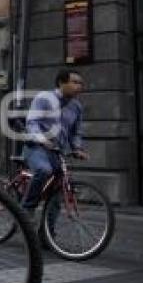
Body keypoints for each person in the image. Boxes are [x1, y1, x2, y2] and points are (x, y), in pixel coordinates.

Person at [22, 69, 88, 214]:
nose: (79, 86)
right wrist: (42, 139)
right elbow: (32, 122)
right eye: (75, 82)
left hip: (57, 152)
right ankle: (26, 211)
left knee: (58, 191)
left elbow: (76, 131)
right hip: (36, 148)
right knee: (44, 170)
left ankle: (48, 234)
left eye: (81, 83)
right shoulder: (44, 98)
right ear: (61, 83)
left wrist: (77, 148)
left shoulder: (76, 106)